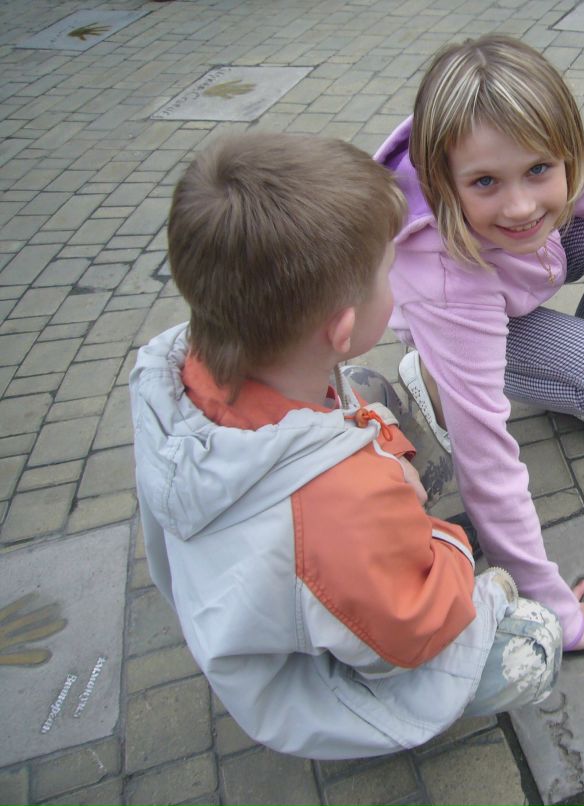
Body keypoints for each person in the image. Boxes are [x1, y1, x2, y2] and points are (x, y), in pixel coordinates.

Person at [129, 131, 561, 759]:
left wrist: (378, 458)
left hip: (262, 580)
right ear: (342, 327)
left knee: (365, 392)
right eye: (389, 271)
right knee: (534, 640)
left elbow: (339, 416)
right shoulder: (341, 507)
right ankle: (390, 727)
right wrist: (457, 551)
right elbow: (412, 630)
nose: (397, 280)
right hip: (312, 689)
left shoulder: (176, 363)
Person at [375, 35, 584, 652]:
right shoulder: (447, 283)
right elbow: (486, 464)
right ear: (441, 181)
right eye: (485, 181)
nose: (520, 205)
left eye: (538, 170)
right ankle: (439, 375)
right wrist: (558, 617)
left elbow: (561, 181)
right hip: (472, 308)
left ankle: (573, 370)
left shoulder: (496, 148)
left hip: (515, 274)